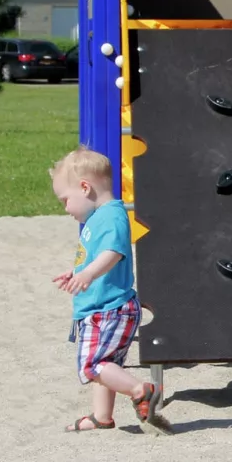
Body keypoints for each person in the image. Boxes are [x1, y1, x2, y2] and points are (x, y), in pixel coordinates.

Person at [48, 148, 164, 432]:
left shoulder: (111, 216)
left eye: (65, 200)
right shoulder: (98, 218)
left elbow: (113, 252)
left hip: (109, 309)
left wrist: (88, 273)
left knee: (93, 365)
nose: (66, 208)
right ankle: (102, 417)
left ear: (85, 187)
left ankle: (139, 390)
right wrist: (77, 271)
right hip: (104, 308)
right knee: (107, 363)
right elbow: (96, 256)